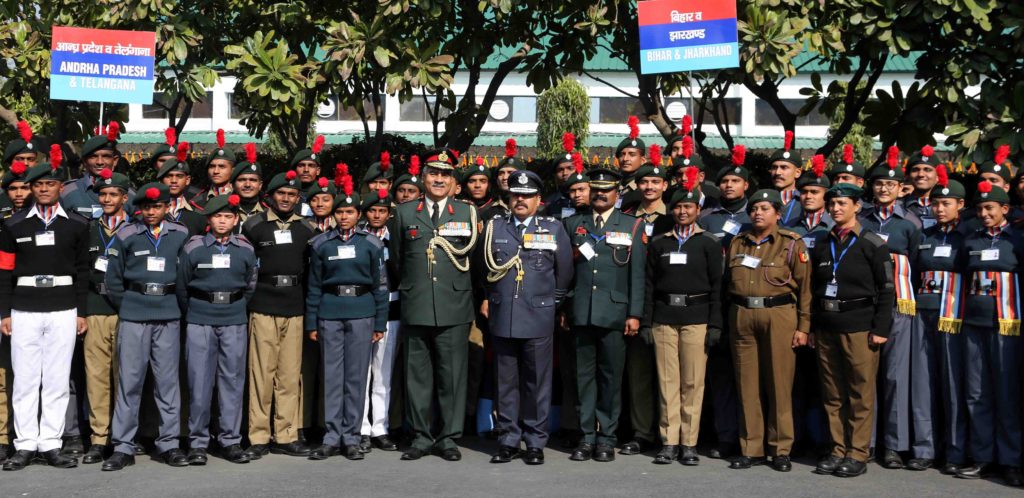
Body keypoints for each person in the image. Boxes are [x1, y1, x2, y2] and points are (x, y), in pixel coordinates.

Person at [0, 147, 88, 471]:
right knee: (24, 378)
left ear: (59, 188)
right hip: (24, 307)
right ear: (32, 189)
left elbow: (83, 271)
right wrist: (4, 313)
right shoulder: (14, 225)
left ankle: (50, 443)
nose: (45, 189)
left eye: (51, 184)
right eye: (38, 185)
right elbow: (4, 271)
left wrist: (81, 313)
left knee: (56, 378)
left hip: (63, 307)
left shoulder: (77, 225)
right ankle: (24, 445)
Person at [389, 150, 479, 461]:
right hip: (417, 303)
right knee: (417, 375)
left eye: (445, 175)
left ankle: (448, 438)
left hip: (454, 304)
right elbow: (399, 261)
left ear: (455, 182)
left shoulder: (467, 213)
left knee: (452, 376)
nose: (439, 179)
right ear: (423, 178)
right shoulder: (403, 213)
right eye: (433, 174)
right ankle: (421, 436)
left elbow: (476, 262)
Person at [479, 170, 573, 466]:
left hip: (538, 314)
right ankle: (508, 439)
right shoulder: (494, 227)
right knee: (505, 381)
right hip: (504, 312)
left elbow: (565, 272)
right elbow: (482, 269)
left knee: (536, 382)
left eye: (527, 196)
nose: (520, 200)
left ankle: (534, 440)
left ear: (538, 200)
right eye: (516, 195)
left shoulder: (553, 228)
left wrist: (551, 304)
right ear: (508, 198)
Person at [101, 183, 190, 471]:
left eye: (158, 206)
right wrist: (127, 305)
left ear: (166, 207)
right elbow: (113, 281)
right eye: (147, 207)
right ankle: (123, 446)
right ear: (139, 208)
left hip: (167, 313)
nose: (151, 212)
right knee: (130, 382)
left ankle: (169, 444)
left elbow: (186, 277)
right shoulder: (126, 234)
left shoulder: (180, 235)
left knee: (167, 383)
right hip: (134, 313)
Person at [810, 183, 894, 478]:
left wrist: (880, 328)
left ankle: (858, 452)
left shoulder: (872, 243)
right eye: (832, 204)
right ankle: (837, 448)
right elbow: (813, 288)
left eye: (843, 203)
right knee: (832, 393)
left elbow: (886, 289)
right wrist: (811, 327)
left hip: (859, 326)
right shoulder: (822, 241)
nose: (836, 209)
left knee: (860, 391)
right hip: (827, 326)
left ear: (857, 207)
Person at [562, 167, 645, 463]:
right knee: (583, 378)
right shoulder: (574, 223)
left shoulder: (633, 225)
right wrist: (565, 306)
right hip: (582, 311)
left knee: (611, 379)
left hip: (615, 313)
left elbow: (638, 274)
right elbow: (566, 272)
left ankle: (607, 438)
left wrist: (635, 313)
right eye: (595, 189)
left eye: (606, 190)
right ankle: (586, 437)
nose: (599, 194)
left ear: (617, 193)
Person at [726, 189, 812, 472]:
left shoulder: (790, 243)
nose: (758, 213)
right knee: (747, 385)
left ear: (778, 213)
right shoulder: (738, 242)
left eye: (765, 208)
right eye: (754, 208)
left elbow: (806, 289)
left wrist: (803, 326)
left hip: (779, 315)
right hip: (743, 315)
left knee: (778, 384)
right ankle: (752, 447)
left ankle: (780, 448)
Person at [643, 168, 722, 466]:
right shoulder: (660, 243)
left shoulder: (710, 244)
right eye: (677, 206)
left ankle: (689, 442)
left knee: (692, 382)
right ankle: (669, 441)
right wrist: (648, 322)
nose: (682, 211)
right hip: (664, 318)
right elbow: (649, 284)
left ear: (698, 210)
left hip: (696, 318)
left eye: (688, 206)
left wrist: (715, 324)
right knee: (667, 382)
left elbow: (718, 287)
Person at [305, 178, 388, 460]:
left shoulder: (372, 244)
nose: (344, 217)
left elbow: (380, 286)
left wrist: (379, 323)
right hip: (329, 313)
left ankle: (352, 437)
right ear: (333, 214)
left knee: (356, 377)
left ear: (358, 215)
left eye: (350, 212)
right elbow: (314, 286)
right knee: (332, 377)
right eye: (339, 212)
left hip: (362, 312)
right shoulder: (320, 244)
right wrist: (311, 323)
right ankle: (331, 436)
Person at [177, 194, 258, 465]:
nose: (222, 221)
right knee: (199, 382)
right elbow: (182, 286)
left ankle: (230, 440)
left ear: (236, 220)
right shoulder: (194, 247)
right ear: (209, 220)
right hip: (200, 317)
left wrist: (234, 306)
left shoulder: (245, 248)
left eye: (228, 217)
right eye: (217, 216)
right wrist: (197, 311)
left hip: (233, 318)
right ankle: (198, 441)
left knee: (232, 381)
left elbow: (250, 285)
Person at [241, 169, 316, 459]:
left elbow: (311, 272)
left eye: (292, 195)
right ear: (270, 196)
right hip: (262, 305)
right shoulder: (254, 226)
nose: (286, 199)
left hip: (294, 308)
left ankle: (286, 434)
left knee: (288, 375)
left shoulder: (307, 230)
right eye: (281, 194)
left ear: (298, 198)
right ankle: (258, 435)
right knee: (261, 374)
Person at [956, 178, 1023, 486]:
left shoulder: (1018, 240)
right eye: (980, 208)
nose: (983, 214)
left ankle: (1011, 460)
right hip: (973, 326)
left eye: (990, 208)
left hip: (1007, 327)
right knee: (975, 393)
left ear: (1005, 209)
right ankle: (982, 457)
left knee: (1007, 393)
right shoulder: (970, 240)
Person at [860, 147, 922, 469]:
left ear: (902, 189)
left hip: (900, 306)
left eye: (891, 184)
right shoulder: (861, 221)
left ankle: (894, 446)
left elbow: (918, 263)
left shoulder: (909, 224)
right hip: (866, 307)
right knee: (866, 376)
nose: (884, 189)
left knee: (896, 377)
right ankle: (865, 442)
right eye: (879, 183)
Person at [911, 166, 969, 475]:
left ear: (961, 205)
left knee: (953, 384)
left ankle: (956, 450)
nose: (939, 208)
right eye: (936, 203)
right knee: (924, 384)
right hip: (924, 314)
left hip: (954, 317)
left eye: (946, 203)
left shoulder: (968, 237)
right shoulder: (924, 235)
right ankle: (924, 448)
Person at [697, 145, 751, 459]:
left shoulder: (754, 216)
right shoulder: (708, 218)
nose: (729, 185)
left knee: (748, 374)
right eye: (725, 181)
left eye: (735, 181)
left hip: (744, 302)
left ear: (746, 186)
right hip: (713, 302)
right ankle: (725, 435)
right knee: (720, 375)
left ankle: (751, 437)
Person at [620, 145, 671, 456]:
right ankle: (642, 432)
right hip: (635, 304)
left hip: (667, 306)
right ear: (637, 186)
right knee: (638, 375)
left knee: (669, 376)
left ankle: (671, 433)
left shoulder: (676, 216)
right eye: (644, 183)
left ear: (665, 185)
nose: (649, 187)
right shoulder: (626, 218)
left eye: (655, 182)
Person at [81, 168, 131, 465]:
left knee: (125, 376)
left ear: (125, 197)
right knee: (97, 375)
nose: (107, 198)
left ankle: (124, 436)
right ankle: (99, 437)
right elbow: (78, 268)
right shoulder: (87, 228)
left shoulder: (135, 228)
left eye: (114, 194)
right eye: (103, 194)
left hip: (126, 308)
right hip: (96, 306)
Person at [359, 187, 400, 452]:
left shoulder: (395, 239)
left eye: (382, 211)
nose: (377, 215)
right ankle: (361, 427)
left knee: (383, 373)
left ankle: (380, 427)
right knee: (361, 373)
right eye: (372, 210)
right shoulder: (358, 239)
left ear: (389, 214)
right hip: (363, 309)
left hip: (392, 308)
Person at [62, 122, 124, 220]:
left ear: (115, 160)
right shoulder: (67, 193)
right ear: (85, 161)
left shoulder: (128, 195)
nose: (100, 162)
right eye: (93, 156)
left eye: (106, 156)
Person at [156, 143, 208, 237]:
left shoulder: (198, 214)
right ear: (160, 181)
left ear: (187, 180)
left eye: (179, 176)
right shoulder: (151, 213)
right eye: (169, 176)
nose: (174, 181)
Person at [191, 132, 237, 208]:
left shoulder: (241, 198)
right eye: (212, 166)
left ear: (232, 170)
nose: (216, 171)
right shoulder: (197, 201)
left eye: (222, 166)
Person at [767, 131, 804, 226]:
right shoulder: (764, 201)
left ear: (797, 172)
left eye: (784, 167)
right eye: (774, 167)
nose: (778, 172)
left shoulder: (806, 201)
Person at [543, 133, 580, 221]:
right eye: (560, 170)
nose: (565, 173)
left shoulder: (588, 199)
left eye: (570, 168)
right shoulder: (549, 203)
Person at [615, 116, 647, 212]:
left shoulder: (645, 188)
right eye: (622, 155)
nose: (625, 159)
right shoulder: (615, 186)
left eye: (632, 155)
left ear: (642, 160)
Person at [903, 146, 940, 229]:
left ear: (938, 177)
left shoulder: (947, 209)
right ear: (908, 177)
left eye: (927, 170)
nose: (921, 174)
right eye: (915, 170)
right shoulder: (899, 207)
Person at [231, 150, 266, 223]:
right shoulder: (225, 209)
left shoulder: (270, 210)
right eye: (242, 180)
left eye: (253, 180)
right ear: (233, 185)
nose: (247, 185)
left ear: (260, 185)